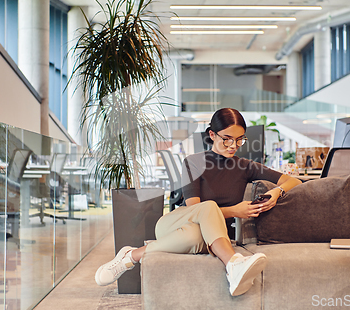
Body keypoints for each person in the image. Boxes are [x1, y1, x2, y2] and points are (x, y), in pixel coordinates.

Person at [95, 108, 302, 296]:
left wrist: (276, 193)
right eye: (227, 139)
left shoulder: (246, 166)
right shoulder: (193, 162)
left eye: (240, 140)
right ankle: (233, 263)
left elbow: (293, 180)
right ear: (212, 135)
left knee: (196, 236)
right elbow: (195, 209)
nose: (233, 146)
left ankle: (132, 255)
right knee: (208, 207)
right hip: (176, 224)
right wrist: (235, 211)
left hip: (205, 237)